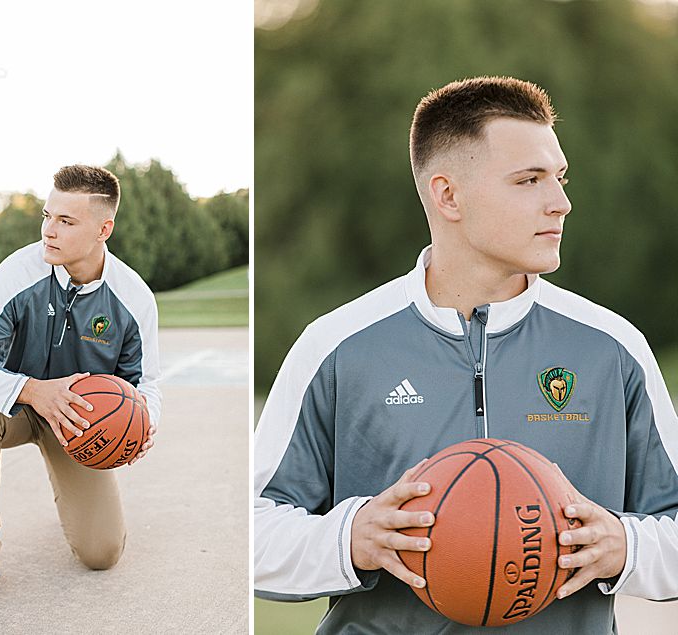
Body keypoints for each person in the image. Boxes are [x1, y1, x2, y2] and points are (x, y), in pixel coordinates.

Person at [254, 76, 678, 632]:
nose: (561, 202)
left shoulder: (612, 346)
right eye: (529, 180)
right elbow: (251, 534)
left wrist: (625, 546)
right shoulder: (336, 345)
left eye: (559, 177)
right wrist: (350, 536)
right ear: (447, 194)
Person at [0, 165, 162, 608]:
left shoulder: (133, 298)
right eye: (46, 215)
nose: (48, 231)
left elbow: (145, 383)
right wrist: (35, 391)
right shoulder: (19, 273)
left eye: (65, 221)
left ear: (104, 229)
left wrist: (147, 421)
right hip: (15, 408)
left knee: (102, 554)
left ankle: (75, 501)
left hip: (81, 424)